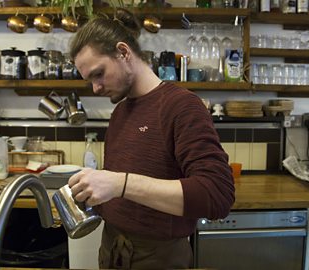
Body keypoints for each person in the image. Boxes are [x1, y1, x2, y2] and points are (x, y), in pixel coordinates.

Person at [67, 8, 235, 269]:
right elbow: (129, 193)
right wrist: (90, 198)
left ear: (123, 53)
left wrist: (119, 183)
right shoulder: (121, 111)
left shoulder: (181, 106)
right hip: (112, 250)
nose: (96, 88)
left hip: (158, 258)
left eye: (98, 74)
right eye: (89, 80)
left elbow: (217, 195)